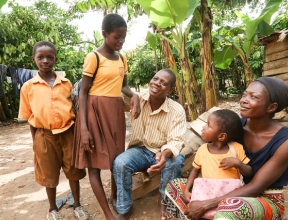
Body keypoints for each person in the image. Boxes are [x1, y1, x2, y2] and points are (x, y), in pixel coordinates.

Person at [164, 76, 288, 220]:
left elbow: (256, 187)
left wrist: (206, 204)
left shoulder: (284, 142)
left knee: (231, 208)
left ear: (271, 107)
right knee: (175, 187)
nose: (243, 100)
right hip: (230, 189)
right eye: (244, 94)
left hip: (264, 197)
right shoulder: (235, 127)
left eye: (253, 97)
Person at [72, 13, 140, 220]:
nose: (120, 41)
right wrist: (83, 128)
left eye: (123, 38)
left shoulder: (122, 57)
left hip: (115, 112)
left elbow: (124, 86)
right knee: (95, 166)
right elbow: (83, 93)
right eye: (116, 37)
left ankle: (115, 198)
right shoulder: (94, 57)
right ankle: (108, 214)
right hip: (94, 112)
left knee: (116, 161)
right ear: (104, 34)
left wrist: (134, 95)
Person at [18, 41, 88, 220]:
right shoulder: (28, 87)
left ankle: (78, 205)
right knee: (48, 174)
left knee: (73, 171)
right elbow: (30, 117)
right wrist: (36, 141)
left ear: (55, 59)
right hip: (44, 136)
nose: (45, 60)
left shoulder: (65, 83)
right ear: (34, 59)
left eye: (50, 57)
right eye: (40, 57)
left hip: (68, 133)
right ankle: (52, 209)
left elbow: (74, 108)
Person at [112, 68, 187, 220]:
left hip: (162, 151)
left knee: (175, 162)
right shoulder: (137, 99)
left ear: (170, 90)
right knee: (120, 162)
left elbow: (176, 140)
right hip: (140, 149)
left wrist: (164, 155)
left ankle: (164, 201)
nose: (157, 83)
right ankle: (125, 207)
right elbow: (115, 96)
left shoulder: (176, 110)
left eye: (164, 83)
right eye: (155, 79)